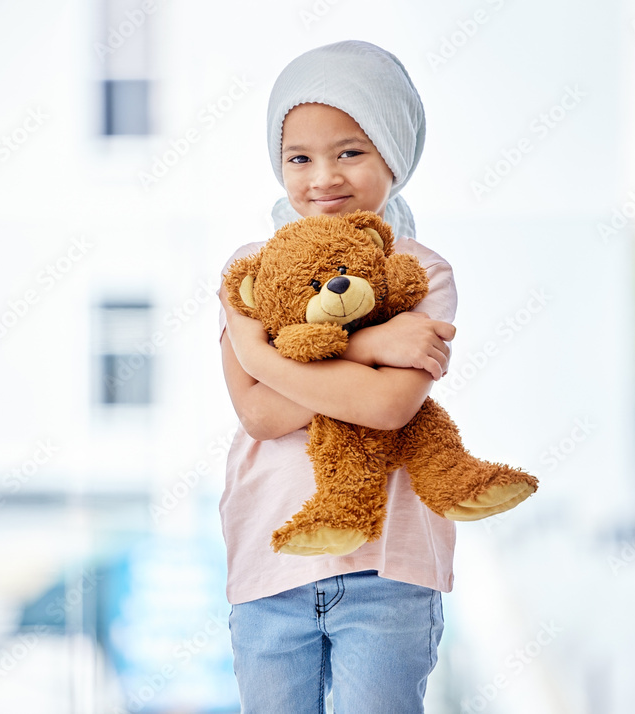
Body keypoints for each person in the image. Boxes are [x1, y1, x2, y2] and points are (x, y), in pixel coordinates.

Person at [217, 40, 458, 713]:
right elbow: (259, 416)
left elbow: (386, 407)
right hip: (270, 559)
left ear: (393, 152)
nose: (322, 178)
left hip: (390, 564)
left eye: (350, 151)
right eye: (299, 157)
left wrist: (270, 362)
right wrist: (375, 339)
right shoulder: (251, 268)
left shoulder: (422, 272)